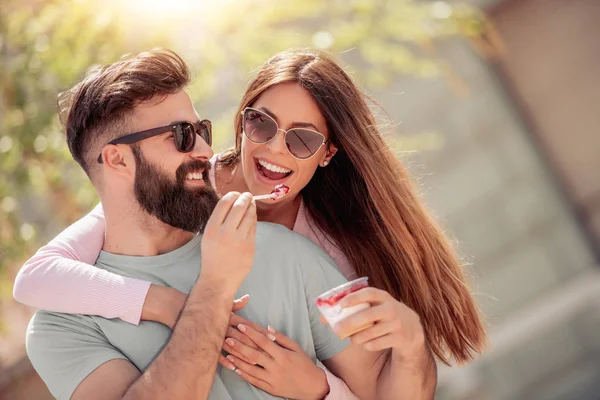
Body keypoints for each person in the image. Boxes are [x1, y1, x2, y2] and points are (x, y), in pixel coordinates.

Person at [15, 47, 482, 398]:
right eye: (182, 135)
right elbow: (35, 275)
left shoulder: (294, 253)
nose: (200, 149)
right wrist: (205, 290)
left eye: (200, 131)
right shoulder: (63, 327)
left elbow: (380, 393)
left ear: (327, 156)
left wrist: (328, 384)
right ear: (115, 160)